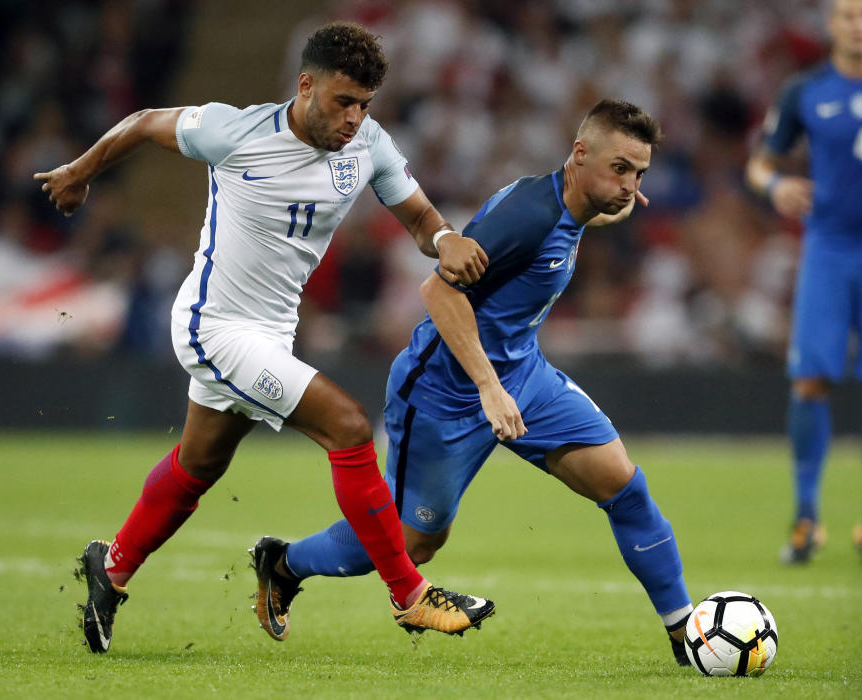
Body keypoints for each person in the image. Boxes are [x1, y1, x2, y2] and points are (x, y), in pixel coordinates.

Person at [34, 22, 496, 653]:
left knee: (199, 464)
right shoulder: (237, 130)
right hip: (213, 327)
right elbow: (143, 120)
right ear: (305, 86)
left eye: (364, 105)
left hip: (271, 335)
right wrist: (82, 171)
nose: (354, 118)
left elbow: (417, 216)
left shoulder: (369, 147)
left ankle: (109, 571)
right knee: (349, 426)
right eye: (342, 101)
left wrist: (446, 240)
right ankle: (411, 595)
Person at [260, 99, 696, 666]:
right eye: (620, 169)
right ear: (580, 153)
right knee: (414, 543)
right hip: (445, 394)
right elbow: (439, 293)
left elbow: (577, 221)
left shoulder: (574, 202)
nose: (629, 184)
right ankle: (284, 563)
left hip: (526, 378)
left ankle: (686, 633)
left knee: (624, 488)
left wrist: (612, 204)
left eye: (639, 174)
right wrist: (489, 388)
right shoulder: (527, 217)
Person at [746, 0, 862, 565]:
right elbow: (761, 162)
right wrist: (774, 187)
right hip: (826, 249)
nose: (857, 24)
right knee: (808, 382)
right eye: (847, 15)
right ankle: (807, 518)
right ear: (832, 26)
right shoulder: (806, 90)